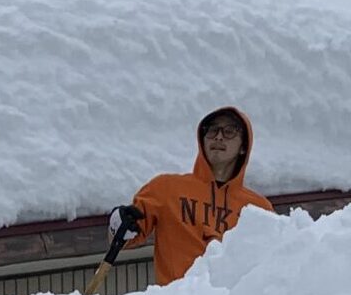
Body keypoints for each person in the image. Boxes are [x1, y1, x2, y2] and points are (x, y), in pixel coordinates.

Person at [110, 106, 275, 285]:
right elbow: (122, 240)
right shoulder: (165, 188)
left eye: (229, 131)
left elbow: (274, 266)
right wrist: (118, 223)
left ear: (244, 147)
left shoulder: (260, 209)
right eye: (212, 131)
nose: (219, 137)